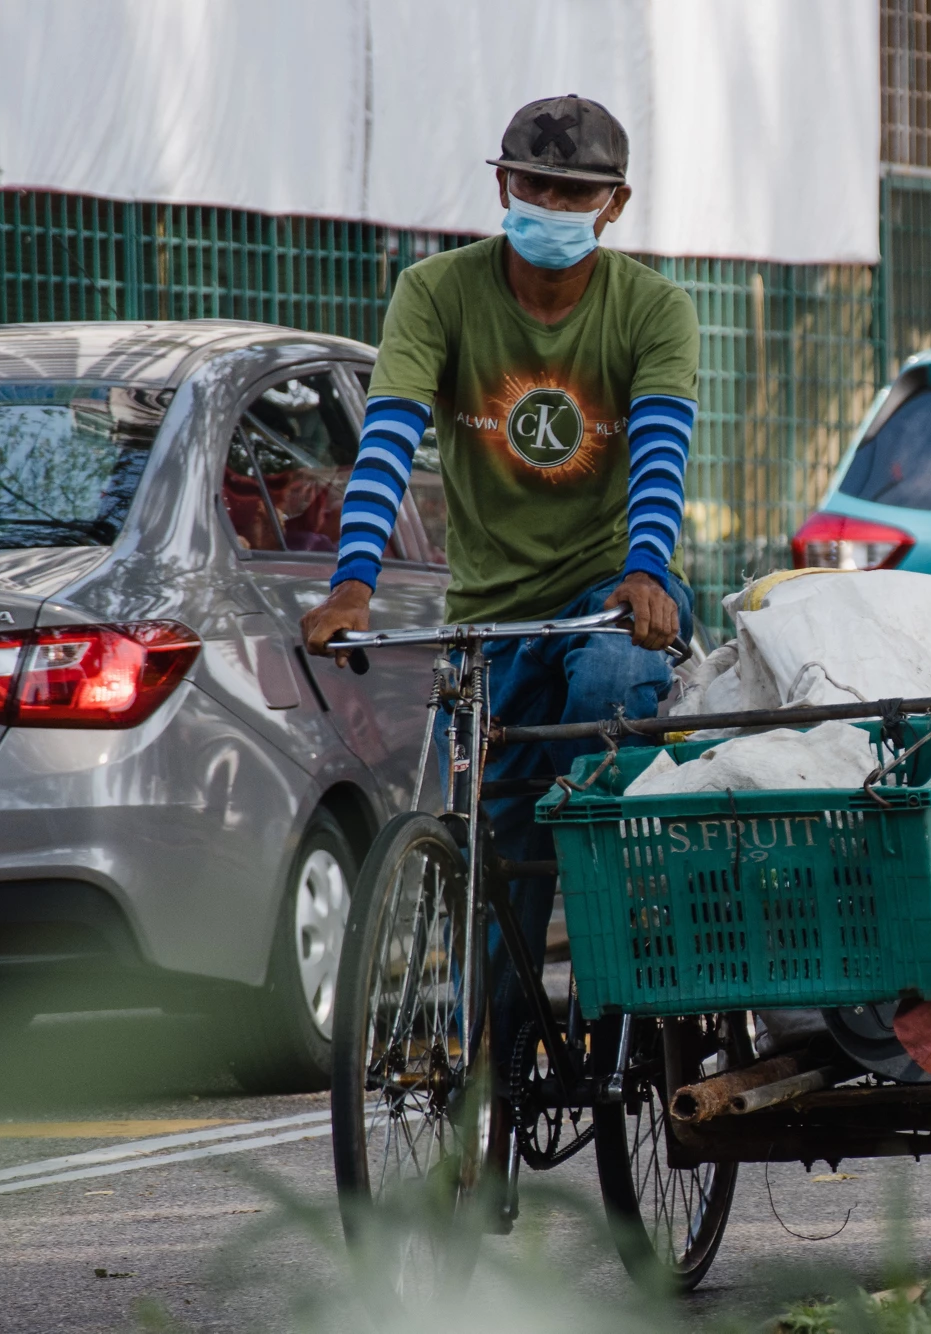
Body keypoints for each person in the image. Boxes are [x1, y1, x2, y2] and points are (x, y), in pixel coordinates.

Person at [300, 94, 698, 1067]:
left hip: (612, 598)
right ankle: (490, 1071)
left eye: (577, 191)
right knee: (491, 861)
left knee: (606, 696)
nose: (553, 203)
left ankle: (630, 980)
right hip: (488, 617)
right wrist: (354, 577)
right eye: (537, 184)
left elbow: (658, 454)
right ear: (502, 185)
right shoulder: (436, 293)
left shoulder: (652, 307)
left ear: (615, 204)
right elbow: (389, 434)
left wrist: (647, 569)